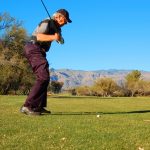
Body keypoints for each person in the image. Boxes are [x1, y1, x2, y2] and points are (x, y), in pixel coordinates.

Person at [20, 9, 72, 115]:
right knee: (43, 77)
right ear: (59, 17)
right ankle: (28, 106)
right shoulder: (47, 22)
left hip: (39, 51)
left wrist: (59, 37)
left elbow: (61, 41)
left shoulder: (57, 28)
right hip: (33, 47)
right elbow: (39, 36)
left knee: (45, 77)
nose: (66, 23)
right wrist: (54, 36)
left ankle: (38, 106)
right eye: (65, 20)